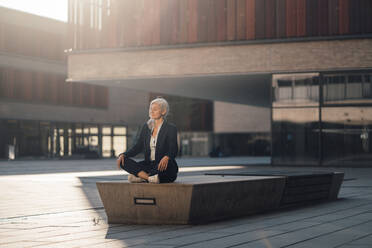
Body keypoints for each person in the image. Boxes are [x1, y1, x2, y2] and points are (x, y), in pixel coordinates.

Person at [116, 97, 178, 184]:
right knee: (123, 161)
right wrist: (124, 154)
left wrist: (167, 156)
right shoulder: (146, 127)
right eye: (150, 109)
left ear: (163, 111)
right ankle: (149, 178)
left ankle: (141, 176)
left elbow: (173, 148)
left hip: (163, 165)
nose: (151, 111)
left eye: (155, 109)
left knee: (166, 168)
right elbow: (138, 146)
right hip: (149, 165)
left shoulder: (171, 128)